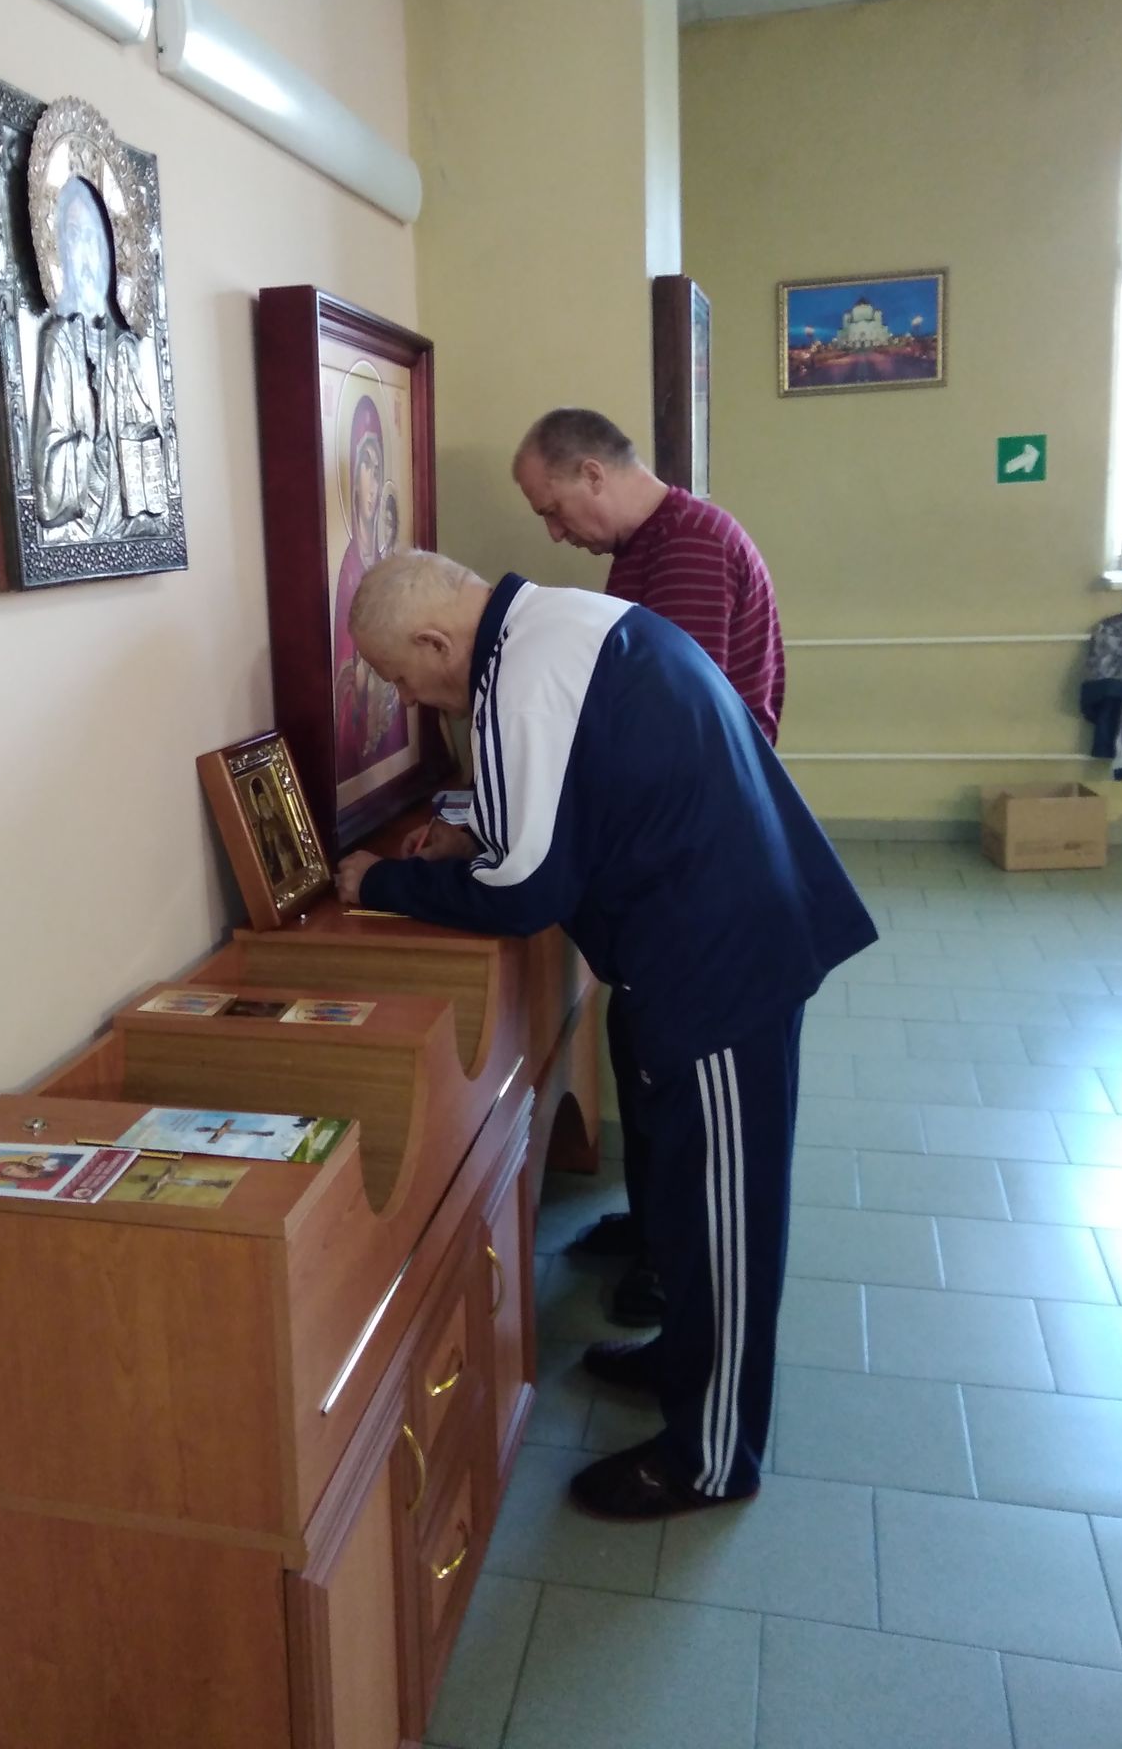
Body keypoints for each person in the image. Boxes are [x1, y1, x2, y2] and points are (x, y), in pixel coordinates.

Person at [333, 552, 874, 1521]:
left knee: (726, 1215)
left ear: (433, 641)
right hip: (700, 932)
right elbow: (571, 795)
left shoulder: (526, 672)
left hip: (722, 958)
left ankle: (713, 1458)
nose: (408, 698)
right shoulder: (545, 626)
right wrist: (471, 832)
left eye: (401, 677)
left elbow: (527, 890)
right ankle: (683, 1357)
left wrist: (382, 883)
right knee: (686, 1192)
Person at [513, 407, 787, 1327]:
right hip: (672, 851)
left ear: (592, 473)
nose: (555, 534)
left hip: (702, 859)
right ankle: (656, 1223)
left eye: (553, 509)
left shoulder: (689, 549)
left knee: (684, 1081)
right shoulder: (644, 550)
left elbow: (664, 726)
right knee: (640, 1056)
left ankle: (679, 1269)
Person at [32, 176, 176, 545]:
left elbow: (149, 439)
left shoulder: (125, 348)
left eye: (93, 240)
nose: (85, 254)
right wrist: (91, 445)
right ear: (62, 251)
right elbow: (49, 470)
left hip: (127, 516)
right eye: (74, 237)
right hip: (83, 519)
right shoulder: (60, 343)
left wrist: (141, 440)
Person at [332, 395, 408, 779]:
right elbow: (344, 678)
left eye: (379, 471)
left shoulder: (381, 564)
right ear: (352, 477)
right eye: (366, 466)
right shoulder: (348, 570)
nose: (375, 484)